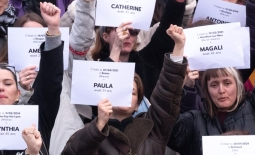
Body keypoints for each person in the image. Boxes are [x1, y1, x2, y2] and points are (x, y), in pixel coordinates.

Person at [168, 0, 255, 153]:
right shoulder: (195, 120)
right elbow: (168, 128)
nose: (221, 90)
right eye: (214, 84)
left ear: (238, 85)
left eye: (227, 83)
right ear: (206, 89)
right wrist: (183, 83)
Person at [61, 24, 188, 154]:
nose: (126, 93)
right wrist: (98, 127)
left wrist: (178, 47)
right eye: (120, 88)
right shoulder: (90, 132)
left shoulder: (153, 129)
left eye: (132, 92)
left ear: (138, 105)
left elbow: (167, 95)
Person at [0, 2, 64, 155]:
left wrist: (53, 29)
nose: (1, 87)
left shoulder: (37, 114)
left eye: (8, 83)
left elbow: (51, 79)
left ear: (18, 93)